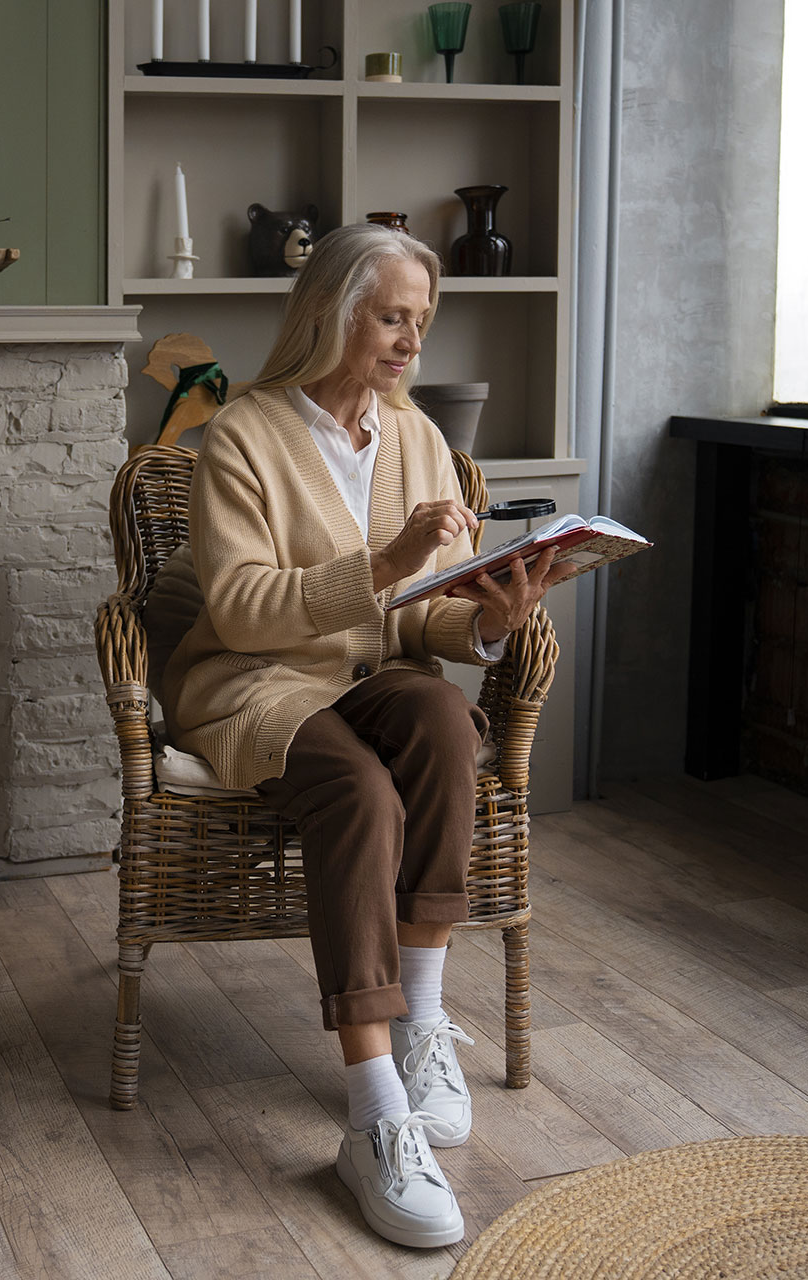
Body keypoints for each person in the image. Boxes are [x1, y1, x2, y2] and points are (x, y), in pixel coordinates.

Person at [160, 223, 574, 1248]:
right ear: (333, 312)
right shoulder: (243, 435)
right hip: (257, 682)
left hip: (375, 677)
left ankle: (423, 1019)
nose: (410, 343)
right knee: (359, 788)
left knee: (441, 712)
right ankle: (374, 1107)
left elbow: (423, 622)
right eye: (393, 317)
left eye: (420, 322)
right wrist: (387, 559)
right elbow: (247, 608)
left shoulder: (420, 437)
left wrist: (490, 616)